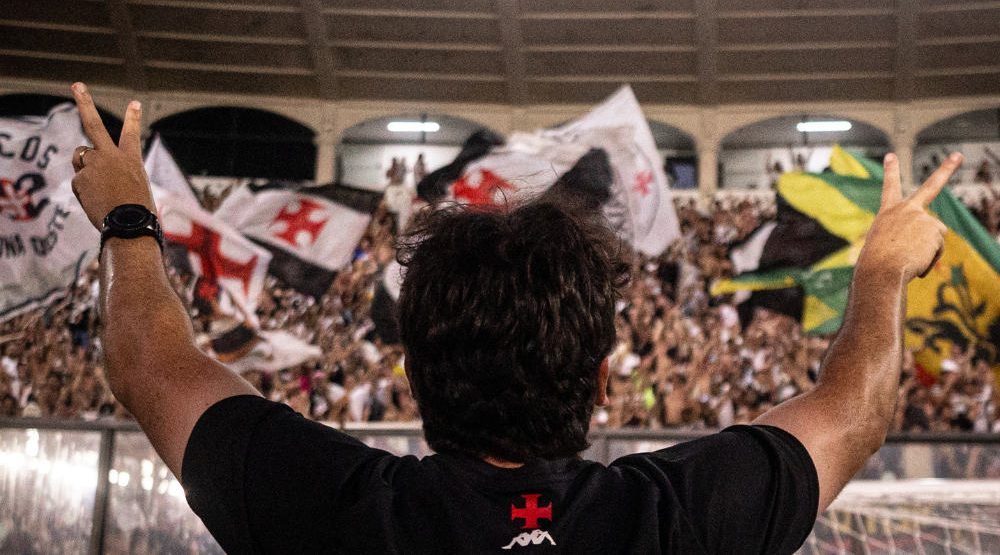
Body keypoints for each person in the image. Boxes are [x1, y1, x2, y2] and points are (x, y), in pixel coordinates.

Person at [68, 81, 961, 555]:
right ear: (604, 380)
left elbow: (148, 360)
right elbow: (856, 411)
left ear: (410, 372)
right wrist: (881, 271)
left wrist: (128, 218)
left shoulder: (333, 511)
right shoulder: (673, 520)